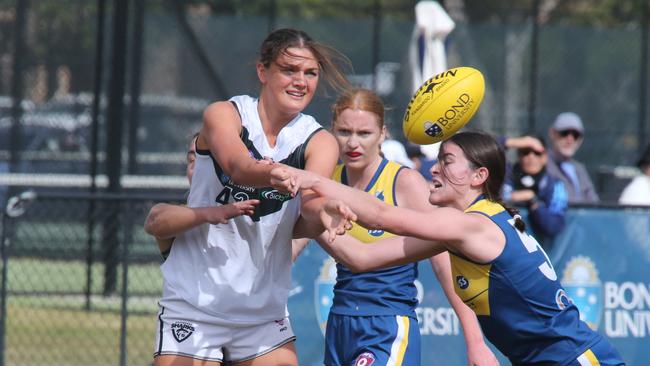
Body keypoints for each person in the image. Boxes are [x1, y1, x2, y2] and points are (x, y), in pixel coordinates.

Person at [271, 130, 625, 366]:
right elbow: (363, 258)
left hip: (573, 359)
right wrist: (311, 211)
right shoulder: (459, 229)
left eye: (446, 161)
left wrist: (314, 179)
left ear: (478, 176)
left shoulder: (472, 224)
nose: (434, 169)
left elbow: (379, 215)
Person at [152, 28, 350, 366]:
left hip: (262, 313)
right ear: (263, 71)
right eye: (289, 70)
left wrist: (324, 212)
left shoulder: (319, 141)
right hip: (196, 304)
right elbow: (238, 165)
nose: (300, 81)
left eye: (310, 73)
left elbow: (308, 212)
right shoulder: (224, 114)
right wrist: (272, 172)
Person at [315, 89, 496, 366]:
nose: (353, 142)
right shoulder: (329, 180)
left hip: (387, 326)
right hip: (339, 323)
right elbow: (298, 234)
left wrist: (475, 341)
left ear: (382, 134)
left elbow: (443, 260)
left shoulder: (404, 182)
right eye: (344, 131)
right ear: (332, 131)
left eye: (364, 133)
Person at [144, 133, 260, 260]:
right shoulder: (181, 218)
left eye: (207, 160)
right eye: (192, 160)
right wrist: (211, 213)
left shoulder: (261, 215)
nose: (196, 165)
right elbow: (154, 220)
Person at [502, 135, 568, 249]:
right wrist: (514, 142)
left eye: (537, 153)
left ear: (545, 157)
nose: (531, 157)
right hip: (505, 246)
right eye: (526, 151)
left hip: (538, 250)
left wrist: (534, 201)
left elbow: (554, 226)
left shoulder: (555, 185)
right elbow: (485, 148)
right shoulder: (506, 175)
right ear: (519, 155)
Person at [546, 112, 599, 203]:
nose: (570, 140)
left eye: (575, 135)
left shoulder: (579, 169)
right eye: (564, 133)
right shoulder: (542, 164)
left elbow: (594, 204)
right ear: (552, 133)